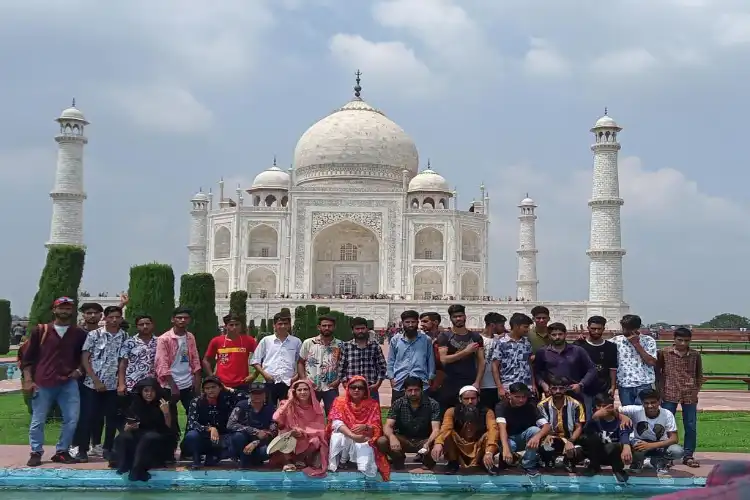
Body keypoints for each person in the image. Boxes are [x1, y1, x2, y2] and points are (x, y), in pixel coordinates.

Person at [21, 297, 88, 466]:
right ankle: (36, 451)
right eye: (61, 308)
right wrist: (28, 380)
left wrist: (79, 370)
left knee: (72, 418)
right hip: (44, 381)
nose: (64, 311)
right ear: (54, 310)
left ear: (72, 311)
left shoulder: (79, 333)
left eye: (68, 308)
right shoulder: (41, 331)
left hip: (68, 382)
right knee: (39, 419)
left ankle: (62, 451)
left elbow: (85, 356)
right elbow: (27, 359)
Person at [77, 305, 128, 462]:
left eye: (117, 317)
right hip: (92, 384)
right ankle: (82, 449)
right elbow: (85, 358)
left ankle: (107, 448)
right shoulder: (94, 335)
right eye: (111, 317)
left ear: (121, 318)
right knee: (88, 417)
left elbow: (122, 361)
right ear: (104, 318)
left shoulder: (124, 336)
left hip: (112, 385)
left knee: (111, 418)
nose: (114, 320)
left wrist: (121, 383)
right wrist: (95, 380)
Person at [155, 306, 202, 454]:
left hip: (187, 382)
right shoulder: (164, 339)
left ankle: (187, 447)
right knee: (170, 418)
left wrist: (197, 382)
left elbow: (195, 359)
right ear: (173, 319)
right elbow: (161, 364)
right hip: (170, 385)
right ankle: (170, 448)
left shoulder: (190, 337)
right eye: (179, 317)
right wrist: (173, 386)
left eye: (185, 318)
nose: (182, 320)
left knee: (194, 416)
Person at [111, 377, 176, 481]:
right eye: (146, 391)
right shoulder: (136, 404)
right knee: (123, 437)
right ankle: (124, 465)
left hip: (160, 439)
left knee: (148, 437)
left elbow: (168, 429)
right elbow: (129, 422)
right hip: (141, 438)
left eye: (152, 391)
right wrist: (128, 428)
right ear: (141, 392)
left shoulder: (165, 403)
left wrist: (166, 413)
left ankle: (137, 470)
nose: (149, 394)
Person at [326, 376, 390, 480]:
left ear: (365, 390)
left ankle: (357, 464)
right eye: (353, 387)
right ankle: (342, 461)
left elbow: (376, 426)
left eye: (360, 388)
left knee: (365, 445)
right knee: (337, 436)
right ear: (348, 388)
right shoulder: (339, 401)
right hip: (346, 433)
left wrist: (366, 426)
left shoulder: (373, 404)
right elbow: (336, 422)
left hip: (364, 435)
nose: (356, 390)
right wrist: (352, 435)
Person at [658, 327, 703, 468]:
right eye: (680, 340)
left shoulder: (695, 355)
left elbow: (699, 374)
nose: (683, 343)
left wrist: (696, 389)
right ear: (674, 339)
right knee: (667, 426)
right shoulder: (665, 353)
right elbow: (659, 372)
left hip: (689, 392)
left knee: (690, 426)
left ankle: (688, 455)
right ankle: (668, 455)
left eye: (687, 341)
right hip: (669, 392)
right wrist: (659, 391)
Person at [378, 376, 441, 470]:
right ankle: (398, 459)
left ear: (422, 390)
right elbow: (388, 425)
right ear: (405, 391)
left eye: (416, 390)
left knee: (439, 441)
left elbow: (436, 429)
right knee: (382, 441)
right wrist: (392, 438)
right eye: (410, 390)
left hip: (424, 440)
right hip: (404, 439)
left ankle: (428, 463)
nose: (413, 393)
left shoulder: (433, 404)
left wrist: (428, 443)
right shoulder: (398, 403)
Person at [431, 386, 497, 474]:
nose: (470, 401)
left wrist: (489, 452)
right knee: (449, 434)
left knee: (490, 435)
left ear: (478, 399)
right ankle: (453, 463)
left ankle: (486, 463)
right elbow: (445, 428)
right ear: (460, 399)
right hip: (459, 446)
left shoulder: (488, 412)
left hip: (478, 446)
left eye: (473, 398)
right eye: (466, 398)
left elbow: (493, 430)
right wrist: (438, 442)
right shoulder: (451, 411)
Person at [618, 388, 684, 474]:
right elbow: (613, 410)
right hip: (640, 442)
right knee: (637, 445)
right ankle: (637, 462)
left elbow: (674, 439)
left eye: (653, 402)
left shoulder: (667, 414)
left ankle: (661, 462)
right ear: (642, 403)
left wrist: (650, 445)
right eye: (646, 403)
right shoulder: (635, 410)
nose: (650, 406)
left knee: (677, 451)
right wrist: (623, 416)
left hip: (660, 443)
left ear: (659, 402)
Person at [272, 379, 328, 476]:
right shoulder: (286, 404)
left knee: (317, 440)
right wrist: (290, 400)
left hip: (306, 437)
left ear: (310, 391)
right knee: (283, 431)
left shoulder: (316, 406)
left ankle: (299, 460)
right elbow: (275, 417)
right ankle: (288, 461)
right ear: (294, 392)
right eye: (299, 390)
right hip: (290, 437)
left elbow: (320, 428)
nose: (303, 392)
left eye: (306, 389)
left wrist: (304, 431)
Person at [183, 376, 242, 468]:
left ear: (220, 387)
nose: (210, 390)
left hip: (223, 438)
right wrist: (210, 429)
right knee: (191, 435)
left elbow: (247, 397)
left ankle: (216, 455)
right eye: (207, 388)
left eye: (213, 387)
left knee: (238, 437)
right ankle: (196, 458)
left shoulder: (228, 399)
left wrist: (228, 390)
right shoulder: (196, 402)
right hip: (204, 437)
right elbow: (192, 423)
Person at [435, 304, 484, 412]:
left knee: (469, 413)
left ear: (465, 316)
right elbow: (443, 359)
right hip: (449, 382)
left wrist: (477, 382)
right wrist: (466, 352)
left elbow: (481, 362)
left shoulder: (475, 337)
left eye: (461, 316)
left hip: (469, 380)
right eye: (455, 316)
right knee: (448, 413)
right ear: (451, 318)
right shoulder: (445, 336)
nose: (458, 319)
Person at [495, 382, 551, 477]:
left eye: (524, 397)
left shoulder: (531, 406)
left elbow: (546, 426)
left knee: (535, 431)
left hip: (523, 438)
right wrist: (506, 449)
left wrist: (537, 437)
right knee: (509, 446)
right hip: (508, 439)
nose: (521, 400)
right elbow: (502, 428)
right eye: (517, 397)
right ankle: (506, 459)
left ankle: (528, 464)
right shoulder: (501, 406)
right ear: (509, 395)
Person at [534, 322, 597, 404]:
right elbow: (537, 372)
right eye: (554, 335)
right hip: (553, 393)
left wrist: (581, 384)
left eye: (560, 334)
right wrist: (543, 384)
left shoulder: (578, 350)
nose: (557, 337)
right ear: (549, 336)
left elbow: (592, 369)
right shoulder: (542, 352)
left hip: (574, 392)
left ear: (565, 334)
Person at [251, 312, 302, 406]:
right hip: (270, 381)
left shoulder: (296, 341)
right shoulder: (266, 340)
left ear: (290, 325)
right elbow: (255, 361)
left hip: (288, 382)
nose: (283, 326)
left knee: (287, 411)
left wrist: (296, 377)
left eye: (286, 324)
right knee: (269, 410)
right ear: (274, 325)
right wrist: (265, 374)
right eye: (280, 324)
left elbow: (301, 362)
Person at [536, 376, 585, 472]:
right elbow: (543, 425)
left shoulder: (576, 404)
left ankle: (569, 461)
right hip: (551, 437)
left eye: (561, 388)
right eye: (554, 388)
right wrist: (548, 435)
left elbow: (579, 427)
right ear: (550, 389)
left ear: (566, 389)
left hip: (570, 437)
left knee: (579, 451)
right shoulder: (542, 405)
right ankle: (549, 461)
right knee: (545, 447)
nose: (558, 391)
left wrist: (570, 441)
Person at [581, 393, 633, 483]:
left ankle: (618, 470)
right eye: (599, 406)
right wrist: (593, 418)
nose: (602, 409)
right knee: (590, 438)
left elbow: (624, 433)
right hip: (597, 455)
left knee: (615, 446)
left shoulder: (620, 421)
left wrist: (626, 445)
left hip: (614, 456)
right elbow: (585, 432)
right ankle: (594, 467)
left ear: (612, 407)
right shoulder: (594, 420)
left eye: (605, 406)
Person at [574, 316, 618, 419]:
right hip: (585, 387)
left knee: (605, 415)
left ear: (604, 328)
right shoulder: (579, 345)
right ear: (588, 328)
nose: (596, 331)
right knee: (586, 415)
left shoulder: (611, 347)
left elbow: (612, 368)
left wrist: (612, 386)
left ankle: (604, 435)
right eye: (593, 329)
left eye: (599, 329)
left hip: (603, 387)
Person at [386, 310, 435, 402]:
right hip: (400, 381)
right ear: (402, 323)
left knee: (422, 413)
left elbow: (430, 359)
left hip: (421, 382)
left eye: (413, 322)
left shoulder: (426, 340)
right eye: (407, 322)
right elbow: (391, 360)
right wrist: (391, 378)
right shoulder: (395, 340)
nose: (410, 325)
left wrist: (430, 378)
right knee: (398, 413)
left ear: (417, 322)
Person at [297, 315, 342, 414]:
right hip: (312, 386)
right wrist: (304, 379)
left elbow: (343, 366)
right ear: (319, 327)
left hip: (331, 386)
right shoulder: (309, 343)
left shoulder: (340, 345)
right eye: (324, 325)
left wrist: (338, 380)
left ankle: (329, 430)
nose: (327, 328)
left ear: (334, 327)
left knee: (332, 416)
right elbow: (300, 362)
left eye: (330, 326)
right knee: (309, 415)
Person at [227, 382, 278, 469]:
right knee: (238, 436)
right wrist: (254, 431)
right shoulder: (241, 406)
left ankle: (255, 460)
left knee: (265, 451)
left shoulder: (271, 409)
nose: (257, 396)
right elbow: (230, 424)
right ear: (250, 394)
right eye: (254, 393)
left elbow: (273, 431)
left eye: (260, 393)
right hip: (242, 442)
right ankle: (243, 461)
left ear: (265, 394)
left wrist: (256, 442)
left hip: (259, 442)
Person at [611, 314, 657, 406]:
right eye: (624, 328)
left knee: (644, 415)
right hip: (625, 384)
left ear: (637, 328)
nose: (625, 331)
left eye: (629, 329)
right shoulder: (615, 341)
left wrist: (636, 344)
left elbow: (651, 362)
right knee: (628, 415)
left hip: (644, 383)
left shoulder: (648, 341)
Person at [203, 313, 257, 391]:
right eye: (231, 325)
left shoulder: (249, 340)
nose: (234, 327)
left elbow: (262, 358)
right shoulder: (217, 341)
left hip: (243, 383)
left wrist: (254, 375)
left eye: (237, 324)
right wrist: (212, 377)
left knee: (242, 403)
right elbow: (206, 360)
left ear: (241, 326)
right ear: (225, 326)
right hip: (222, 384)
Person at [338, 317, 387, 402]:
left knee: (372, 414)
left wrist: (378, 384)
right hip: (352, 389)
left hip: (370, 388)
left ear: (367, 329)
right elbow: (341, 368)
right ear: (352, 330)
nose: (360, 331)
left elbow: (382, 367)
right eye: (357, 329)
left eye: (362, 328)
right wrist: (345, 385)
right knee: (351, 415)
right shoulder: (346, 346)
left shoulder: (374, 346)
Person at [492, 312, 535, 401]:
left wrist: (533, 384)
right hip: (508, 386)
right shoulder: (501, 343)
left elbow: (529, 365)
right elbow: (495, 366)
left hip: (526, 385)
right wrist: (500, 387)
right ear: (516, 326)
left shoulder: (526, 343)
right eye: (525, 327)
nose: (527, 330)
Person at [118, 314, 158, 396]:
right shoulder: (129, 342)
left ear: (152, 325)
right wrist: (121, 384)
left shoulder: (159, 341)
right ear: (137, 326)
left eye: (147, 324)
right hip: (133, 384)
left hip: (154, 384)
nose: (145, 326)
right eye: (141, 324)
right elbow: (123, 364)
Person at [478, 312, 506, 410]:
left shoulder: (499, 340)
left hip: (496, 386)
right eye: (501, 325)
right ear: (493, 325)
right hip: (482, 385)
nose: (503, 328)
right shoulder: (479, 339)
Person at [419, 311, 445, 395]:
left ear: (436, 322)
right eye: (421, 321)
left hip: (441, 377)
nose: (422, 324)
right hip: (422, 377)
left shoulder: (445, 338)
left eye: (425, 321)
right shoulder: (420, 339)